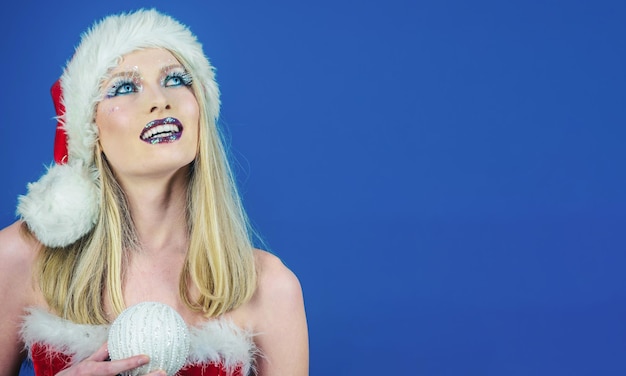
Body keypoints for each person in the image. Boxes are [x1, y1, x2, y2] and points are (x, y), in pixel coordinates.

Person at [0, 8, 308, 376]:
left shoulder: (270, 287)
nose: (160, 100)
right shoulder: (18, 260)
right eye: (125, 87)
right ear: (90, 131)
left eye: (177, 79)